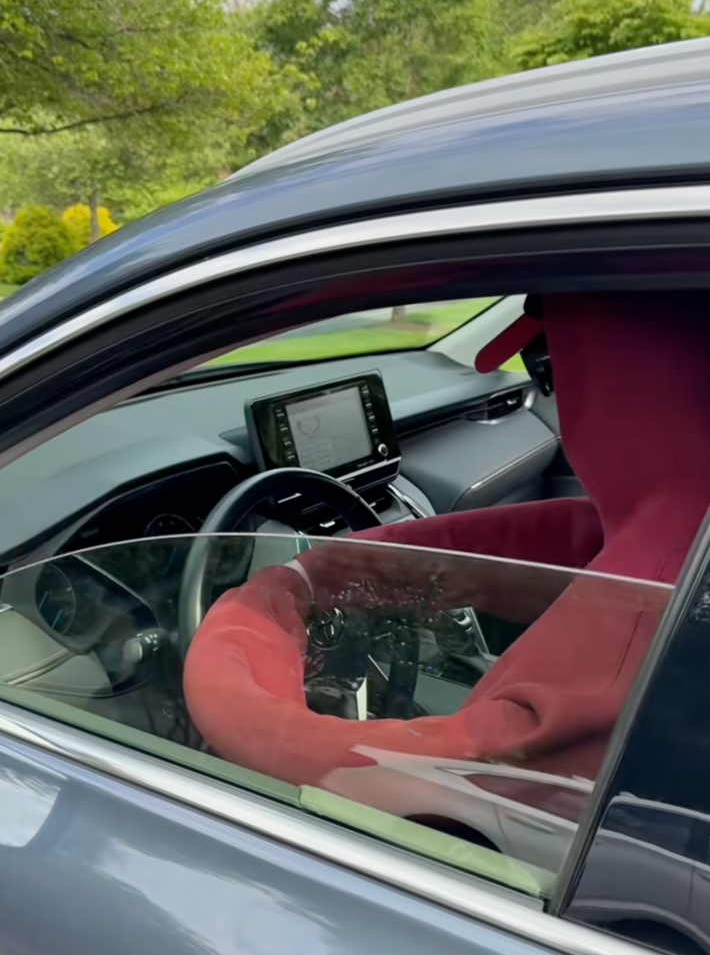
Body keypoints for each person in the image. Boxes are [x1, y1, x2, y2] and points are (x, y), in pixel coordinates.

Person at [184, 292, 710, 788]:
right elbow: (582, 537)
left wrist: (256, 612)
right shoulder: (683, 542)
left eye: (545, 363)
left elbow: (407, 768)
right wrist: (333, 571)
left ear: (611, 375)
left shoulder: (650, 612)